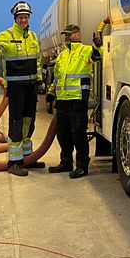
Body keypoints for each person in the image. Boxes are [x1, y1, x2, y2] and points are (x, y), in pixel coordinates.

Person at [0, 1, 43, 176]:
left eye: (26, 17)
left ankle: (28, 157)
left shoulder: (33, 37)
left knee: (30, 121)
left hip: (30, 86)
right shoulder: (7, 35)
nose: (23, 20)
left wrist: (40, 81)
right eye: (21, 17)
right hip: (16, 87)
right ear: (15, 18)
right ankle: (14, 162)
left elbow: (37, 61)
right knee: (17, 122)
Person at [46, 24, 103, 178]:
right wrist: (51, 93)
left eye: (69, 34)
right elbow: (57, 77)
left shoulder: (85, 50)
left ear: (77, 35)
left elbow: (97, 56)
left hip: (78, 100)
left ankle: (82, 166)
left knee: (78, 134)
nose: (66, 37)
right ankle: (65, 163)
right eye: (65, 35)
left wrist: (98, 46)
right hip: (63, 100)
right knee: (62, 134)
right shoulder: (62, 55)